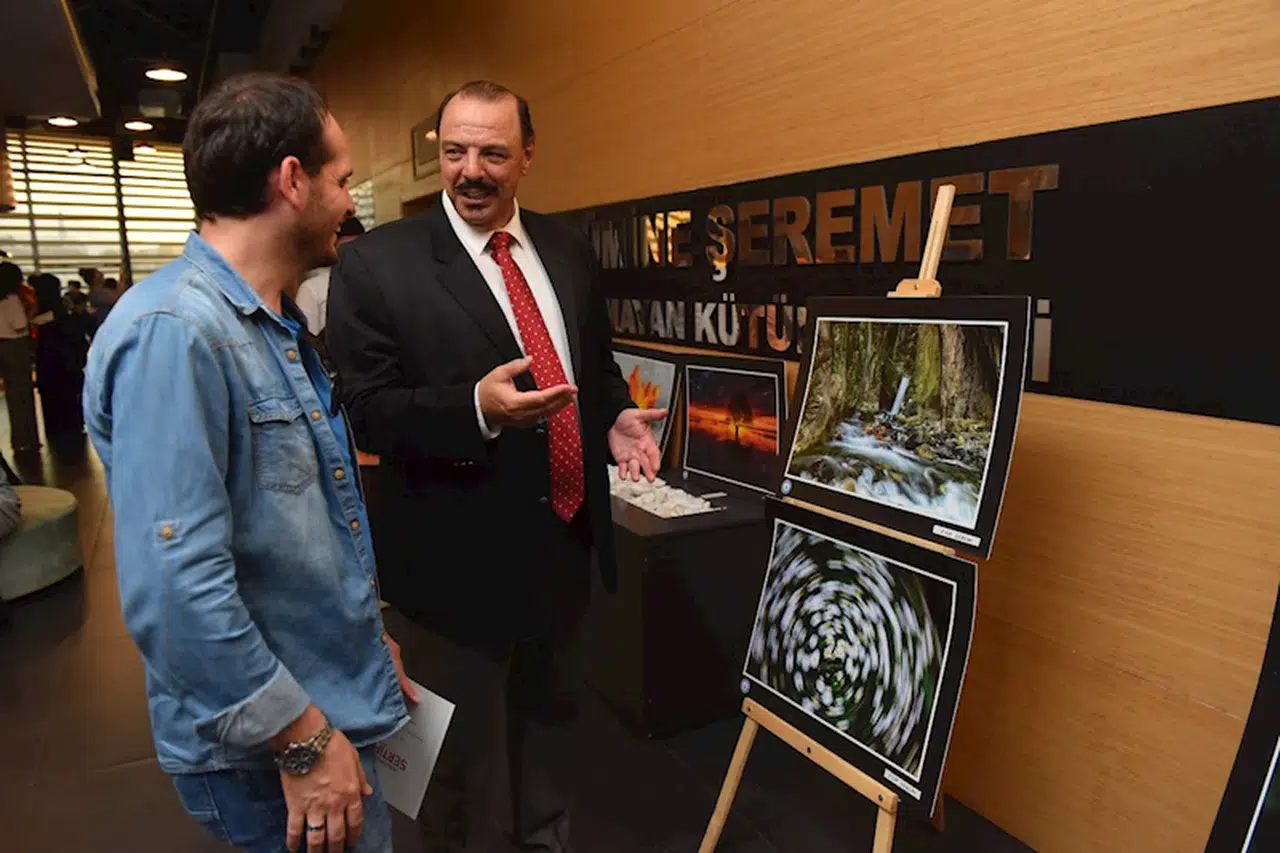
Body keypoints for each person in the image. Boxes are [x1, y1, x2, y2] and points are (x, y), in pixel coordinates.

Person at [326, 79, 667, 853]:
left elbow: (597, 366)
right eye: (454, 151)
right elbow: (368, 408)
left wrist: (612, 416)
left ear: (528, 157)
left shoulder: (567, 249)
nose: (470, 170)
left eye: (492, 152)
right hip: (450, 577)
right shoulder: (377, 266)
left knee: (547, 740)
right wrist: (473, 409)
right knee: (449, 779)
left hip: (565, 552)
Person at [83, 72, 414, 853]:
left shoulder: (271, 321)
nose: (351, 204)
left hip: (329, 706)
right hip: (278, 754)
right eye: (341, 181)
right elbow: (176, 587)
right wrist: (299, 737)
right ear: (292, 181)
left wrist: (363, 636)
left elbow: (291, 529)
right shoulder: (176, 332)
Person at [29, 273, 89, 443]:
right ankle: (72, 425)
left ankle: (56, 428)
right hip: (65, 359)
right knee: (67, 396)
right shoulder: (61, 308)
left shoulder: (40, 311)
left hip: (48, 360)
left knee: (52, 398)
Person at [297, 215, 364, 336]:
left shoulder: (375, 284)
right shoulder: (312, 288)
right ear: (334, 248)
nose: (353, 256)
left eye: (359, 247)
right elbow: (307, 342)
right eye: (345, 249)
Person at [0, 262, 39, 454]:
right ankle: (29, 438)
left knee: (12, 396)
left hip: (3, 347)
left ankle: (18, 440)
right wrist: (30, 313)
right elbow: (19, 325)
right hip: (16, 347)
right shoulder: (12, 299)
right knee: (23, 394)